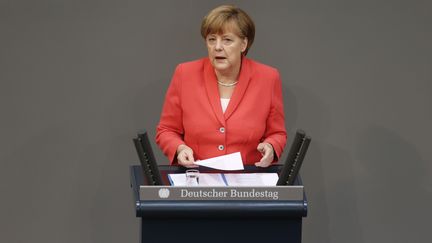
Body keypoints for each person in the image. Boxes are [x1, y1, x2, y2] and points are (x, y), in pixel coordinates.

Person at [156, 5, 287, 168]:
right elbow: (167, 130)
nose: (217, 47)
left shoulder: (268, 77)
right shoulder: (185, 74)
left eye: (227, 40)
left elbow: (277, 133)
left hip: (247, 183)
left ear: (243, 44)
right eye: (212, 39)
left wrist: (271, 147)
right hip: (198, 181)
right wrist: (179, 148)